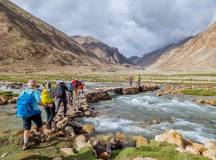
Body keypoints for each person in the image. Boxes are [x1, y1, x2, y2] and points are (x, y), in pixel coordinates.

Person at [16, 80, 44, 150]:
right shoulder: (36, 92)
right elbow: (39, 102)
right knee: (40, 125)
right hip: (35, 112)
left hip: (25, 112)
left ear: (28, 85)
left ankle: (25, 144)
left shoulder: (23, 92)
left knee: (26, 129)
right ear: (35, 85)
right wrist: (46, 105)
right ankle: (42, 137)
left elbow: (18, 100)